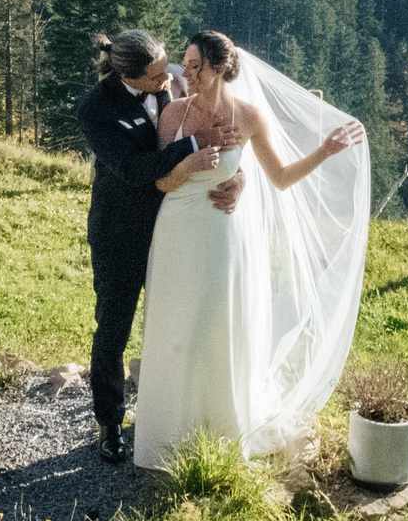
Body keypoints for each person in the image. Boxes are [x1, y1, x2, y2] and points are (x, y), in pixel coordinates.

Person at [134, 30, 369, 469]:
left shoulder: (248, 118)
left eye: (193, 66)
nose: (183, 73)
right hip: (176, 232)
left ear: (220, 68)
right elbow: (161, 183)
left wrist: (325, 150)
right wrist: (190, 162)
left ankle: (219, 434)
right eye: (184, 64)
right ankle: (165, 434)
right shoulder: (173, 116)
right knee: (174, 325)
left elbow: (279, 177)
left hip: (223, 234)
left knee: (217, 324)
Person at [75, 30, 244, 464]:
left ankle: (176, 413)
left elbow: (221, 133)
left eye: (167, 68)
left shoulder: (173, 81)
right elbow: (131, 169)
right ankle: (110, 421)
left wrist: (236, 178)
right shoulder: (96, 109)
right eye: (155, 77)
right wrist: (192, 148)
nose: (168, 80)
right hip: (121, 232)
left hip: (178, 229)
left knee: (181, 319)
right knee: (114, 327)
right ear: (126, 74)